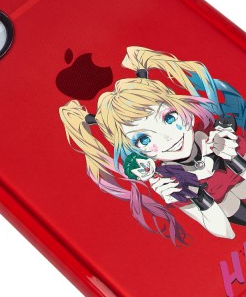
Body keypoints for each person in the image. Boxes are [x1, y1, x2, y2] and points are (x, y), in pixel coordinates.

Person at [59, 46, 246, 245]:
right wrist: (196, 196)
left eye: (169, 117)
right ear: (137, 153)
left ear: (185, 110)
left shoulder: (217, 133)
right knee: (228, 202)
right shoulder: (171, 180)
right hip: (234, 213)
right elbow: (226, 233)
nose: (167, 137)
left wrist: (234, 158)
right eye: (144, 139)